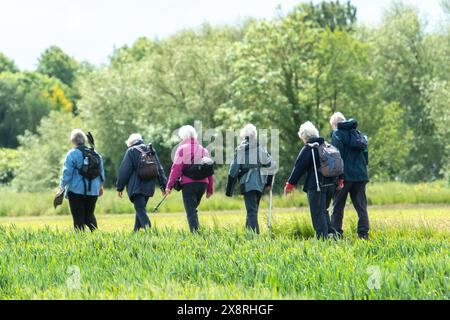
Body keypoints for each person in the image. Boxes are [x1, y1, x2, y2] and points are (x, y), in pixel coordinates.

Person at [284, 121, 338, 240]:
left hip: (317, 185)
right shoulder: (326, 146)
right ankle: (332, 236)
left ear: (304, 136)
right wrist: (340, 180)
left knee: (318, 213)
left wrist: (290, 184)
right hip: (331, 184)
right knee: (323, 211)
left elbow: (299, 167)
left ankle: (322, 239)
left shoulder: (309, 148)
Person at [225, 124, 275, 234]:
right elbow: (271, 165)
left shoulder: (241, 149)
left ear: (243, 136)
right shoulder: (260, 148)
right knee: (253, 210)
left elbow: (233, 170)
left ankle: (254, 238)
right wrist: (268, 183)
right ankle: (248, 235)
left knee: (251, 211)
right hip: (260, 183)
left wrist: (229, 190)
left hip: (247, 183)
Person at [165, 125, 214, 233]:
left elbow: (176, 168)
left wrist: (169, 185)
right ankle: (197, 231)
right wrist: (210, 189)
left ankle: (195, 234)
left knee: (191, 210)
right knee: (193, 209)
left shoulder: (182, 149)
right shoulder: (203, 150)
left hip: (189, 184)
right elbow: (209, 170)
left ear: (183, 136)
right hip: (203, 184)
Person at [329, 112, 370, 239]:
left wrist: (336, 176)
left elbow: (337, 156)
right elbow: (366, 156)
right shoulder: (358, 135)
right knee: (361, 206)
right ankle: (363, 233)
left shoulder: (337, 134)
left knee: (338, 205)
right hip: (361, 176)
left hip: (344, 176)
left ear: (335, 125)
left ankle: (336, 234)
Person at [117, 133, 167, 232]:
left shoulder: (131, 151)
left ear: (130, 143)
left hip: (136, 187)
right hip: (149, 187)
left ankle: (150, 231)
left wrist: (119, 187)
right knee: (140, 209)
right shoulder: (150, 150)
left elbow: (124, 170)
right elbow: (159, 168)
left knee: (140, 210)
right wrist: (163, 185)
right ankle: (135, 231)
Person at [58, 129, 105, 232]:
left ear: (72, 141)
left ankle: (80, 241)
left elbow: (67, 173)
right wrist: (100, 186)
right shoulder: (95, 153)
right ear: (84, 140)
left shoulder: (72, 153)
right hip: (93, 190)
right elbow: (101, 172)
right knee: (89, 215)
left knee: (78, 217)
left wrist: (61, 187)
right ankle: (97, 236)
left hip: (76, 191)